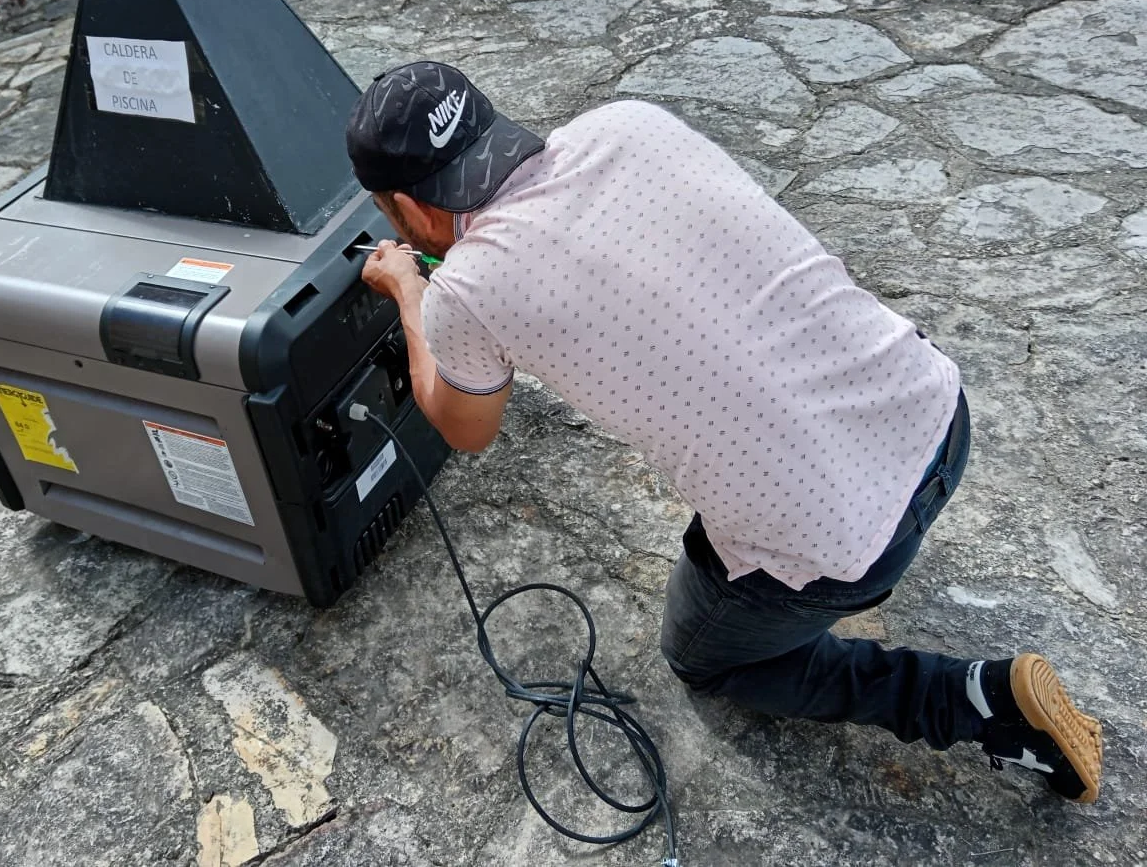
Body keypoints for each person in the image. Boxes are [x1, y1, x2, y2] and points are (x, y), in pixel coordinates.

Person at [345, 60, 1103, 802]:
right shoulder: (626, 122)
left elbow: (461, 423)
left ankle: (976, 701)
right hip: (931, 409)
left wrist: (412, 290)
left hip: (840, 541)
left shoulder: (470, 293)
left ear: (406, 211)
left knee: (705, 660)